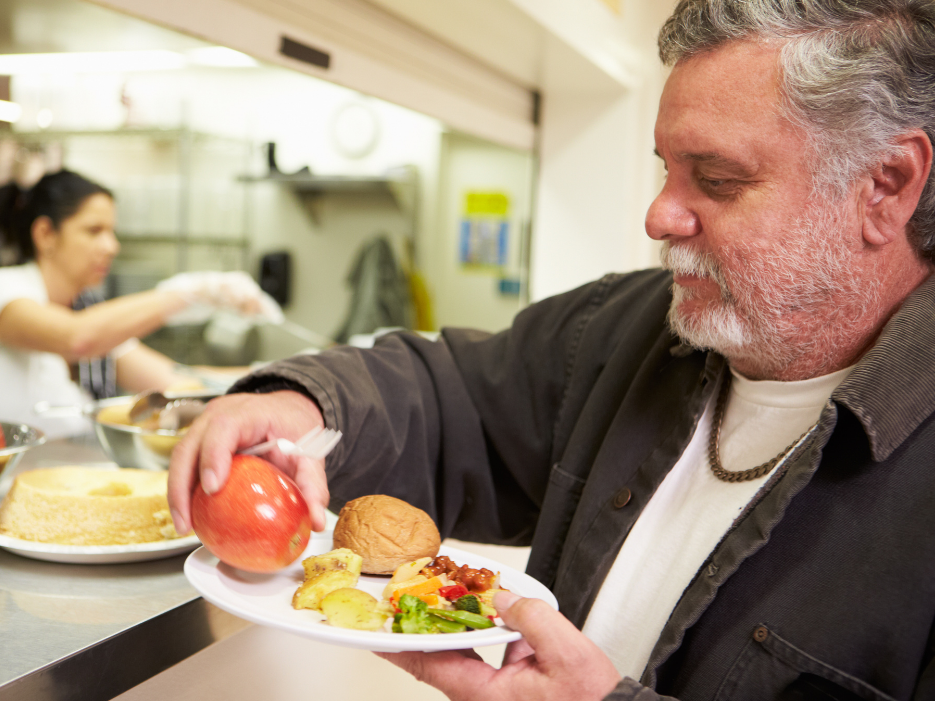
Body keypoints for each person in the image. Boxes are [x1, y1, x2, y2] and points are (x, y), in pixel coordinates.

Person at [168, 0, 935, 698]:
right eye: (666, 170)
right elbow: (446, 395)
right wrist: (293, 405)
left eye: (718, 179)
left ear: (885, 184)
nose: (659, 216)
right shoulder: (630, 329)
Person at [0, 170, 281, 438]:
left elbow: (176, 382)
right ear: (45, 234)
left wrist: (279, 372)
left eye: (112, 232)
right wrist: (189, 293)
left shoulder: (87, 310)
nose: (112, 246)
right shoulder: (8, 289)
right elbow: (77, 338)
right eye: (94, 230)